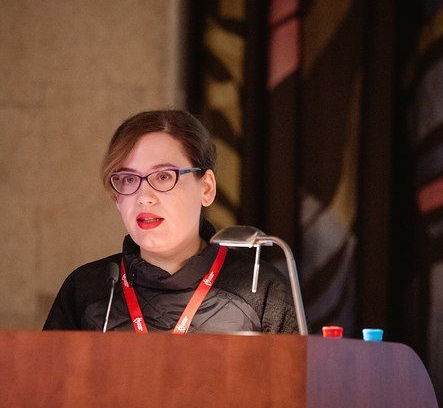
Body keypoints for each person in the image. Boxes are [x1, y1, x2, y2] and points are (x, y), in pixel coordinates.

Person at [43, 110, 296, 333]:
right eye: (129, 179)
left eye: (163, 176)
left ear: (206, 188)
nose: (144, 197)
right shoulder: (86, 289)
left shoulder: (260, 289)